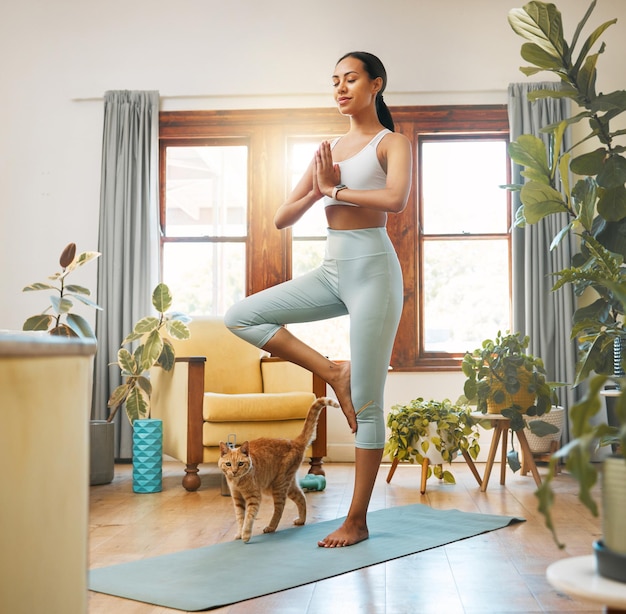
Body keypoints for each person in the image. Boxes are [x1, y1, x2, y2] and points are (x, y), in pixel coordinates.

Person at [224, 51, 412, 547]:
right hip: (332, 271)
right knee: (242, 315)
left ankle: (357, 520)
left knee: (368, 405)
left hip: (374, 272)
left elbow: (395, 200)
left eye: (350, 79)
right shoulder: (326, 148)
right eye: (335, 81)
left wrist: (339, 190)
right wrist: (318, 189)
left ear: (376, 84)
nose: (341, 88)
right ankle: (333, 373)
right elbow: (283, 217)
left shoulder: (392, 143)